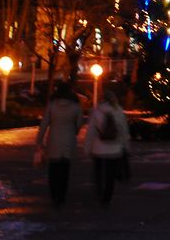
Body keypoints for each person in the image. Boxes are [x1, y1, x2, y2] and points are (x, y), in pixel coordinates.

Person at [35, 80, 83, 209]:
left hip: (54, 141)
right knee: (64, 171)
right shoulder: (75, 106)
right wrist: (73, 131)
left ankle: (54, 195)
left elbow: (44, 123)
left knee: (53, 170)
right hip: (68, 141)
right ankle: (61, 196)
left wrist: (39, 140)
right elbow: (79, 124)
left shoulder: (52, 105)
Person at [84, 90, 130, 206]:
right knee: (110, 174)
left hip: (98, 148)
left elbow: (91, 131)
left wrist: (87, 147)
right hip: (114, 148)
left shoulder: (96, 111)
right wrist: (125, 146)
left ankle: (99, 191)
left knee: (98, 172)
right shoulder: (118, 111)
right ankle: (107, 197)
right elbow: (124, 130)